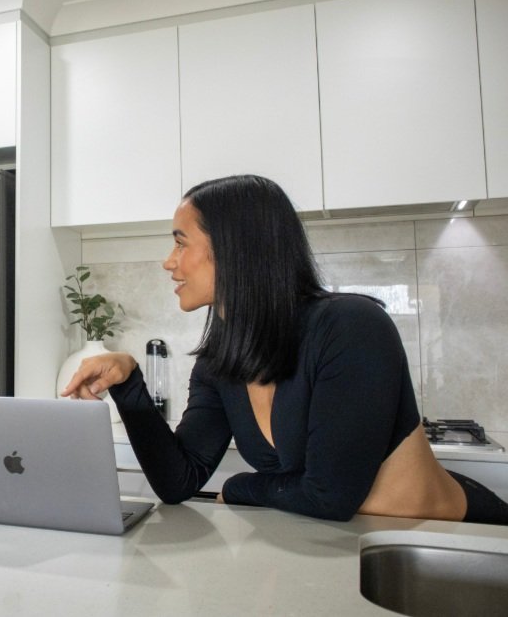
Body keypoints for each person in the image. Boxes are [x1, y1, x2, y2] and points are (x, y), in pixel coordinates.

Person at [63, 174, 508, 525]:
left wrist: (237, 487)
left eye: (180, 242)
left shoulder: (350, 326)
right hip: (343, 547)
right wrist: (130, 384)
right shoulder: (221, 360)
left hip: (453, 536)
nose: (168, 261)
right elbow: (179, 481)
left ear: (235, 248)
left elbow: (330, 496)